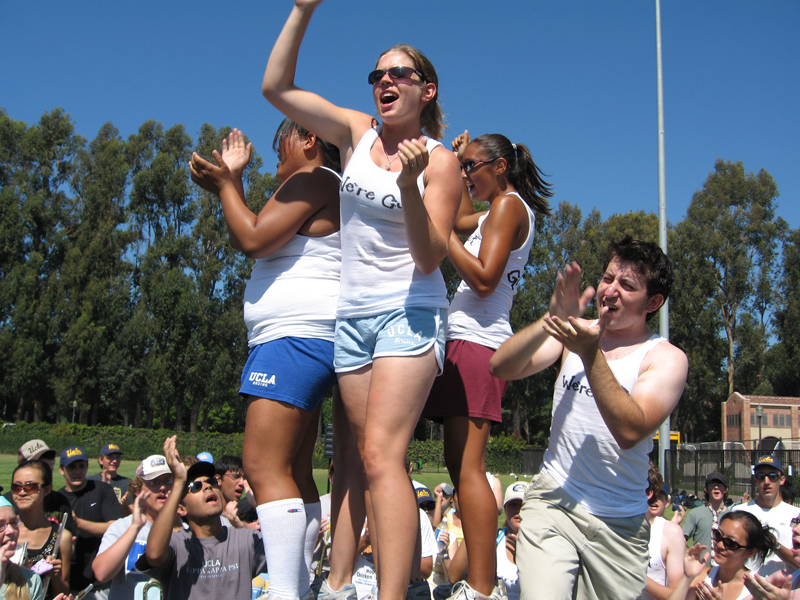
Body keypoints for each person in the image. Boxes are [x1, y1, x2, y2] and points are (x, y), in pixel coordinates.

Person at [262, 3, 462, 600]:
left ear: (426, 90)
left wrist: (410, 182)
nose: (384, 84)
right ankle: (344, 581)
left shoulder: (442, 163)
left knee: (380, 455)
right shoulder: (354, 132)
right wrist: (302, 10)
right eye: (376, 76)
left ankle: (390, 594)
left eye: (398, 75)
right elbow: (276, 87)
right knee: (362, 460)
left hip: (411, 315)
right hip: (352, 321)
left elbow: (430, 259)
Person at [190, 117, 341, 600]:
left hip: (294, 338)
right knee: (295, 472)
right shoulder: (326, 184)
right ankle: (299, 585)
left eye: (283, 141)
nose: (277, 151)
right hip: (306, 339)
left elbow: (251, 237)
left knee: (261, 465)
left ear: (310, 140)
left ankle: (284, 592)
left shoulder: (313, 178)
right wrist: (229, 183)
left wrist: (225, 184)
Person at [489, 236, 689, 600]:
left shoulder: (664, 358)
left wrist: (590, 354)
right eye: (609, 278)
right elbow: (501, 367)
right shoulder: (573, 335)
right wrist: (550, 320)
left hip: (619, 524)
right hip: (555, 500)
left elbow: (631, 429)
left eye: (627, 286)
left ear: (654, 302)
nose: (610, 291)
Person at [423, 130, 552, 600]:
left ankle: (481, 586)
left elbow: (481, 280)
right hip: (468, 343)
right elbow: (458, 216)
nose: (465, 175)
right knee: (459, 469)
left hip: (478, 345)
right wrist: (455, 163)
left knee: (469, 470)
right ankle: (479, 581)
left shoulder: (508, 207)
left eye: (473, 167)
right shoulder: (499, 208)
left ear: (499, 167)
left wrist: (438, 238)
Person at [135, 437, 265, 600]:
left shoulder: (245, 540)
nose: (208, 486)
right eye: (196, 486)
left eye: (211, 481)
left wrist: (259, 504)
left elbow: (290, 548)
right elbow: (153, 555)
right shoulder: (177, 545)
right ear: (181, 508)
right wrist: (179, 483)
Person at [92, 455, 183, 600]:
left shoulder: (185, 528)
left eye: (168, 481)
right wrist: (135, 527)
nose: (163, 488)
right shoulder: (122, 527)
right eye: (154, 482)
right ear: (138, 490)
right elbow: (101, 573)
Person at [666, 511, 778, 600]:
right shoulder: (701, 578)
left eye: (731, 543)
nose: (719, 545)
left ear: (750, 552)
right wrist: (687, 576)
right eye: (718, 535)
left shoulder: (757, 590)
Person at [57, 446, 122, 596]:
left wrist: (77, 523)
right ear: (62, 470)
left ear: (87, 467)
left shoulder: (101, 490)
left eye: (81, 466)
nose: (77, 471)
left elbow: (116, 529)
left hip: (100, 583)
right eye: (72, 467)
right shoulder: (58, 498)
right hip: (69, 581)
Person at [732, 455, 800, 577]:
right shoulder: (739, 512)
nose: (767, 482)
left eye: (773, 476)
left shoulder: (796, 515)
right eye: (761, 476)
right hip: (746, 588)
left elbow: (798, 563)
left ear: (782, 479)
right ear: (755, 480)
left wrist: (775, 545)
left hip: (782, 589)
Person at [11, 460, 71, 597]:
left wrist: (54, 576)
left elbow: (64, 592)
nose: (22, 492)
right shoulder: (6, 531)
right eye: (16, 487)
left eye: (30, 487)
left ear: (47, 490)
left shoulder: (61, 537)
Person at [645, 486, 686, 600]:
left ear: (667, 502)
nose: (654, 500)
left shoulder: (671, 531)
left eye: (659, 496)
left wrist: (638, 574)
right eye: (651, 495)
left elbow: (676, 594)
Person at [682, 472, 730, 553]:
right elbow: (680, 539)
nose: (716, 487)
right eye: (712, 485)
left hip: (725, 565)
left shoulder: (731, 516)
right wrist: (689, 554)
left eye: (720, 484)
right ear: (706, 489)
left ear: (726, 489)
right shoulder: (696, 514)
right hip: (701, 564)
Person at [87, 445, 129, 509]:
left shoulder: (127, 483)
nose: (115, 461)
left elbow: (132, 510)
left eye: (117, 457)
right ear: (101, 460)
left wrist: (123, 507)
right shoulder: (90, 481)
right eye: (110, 457)